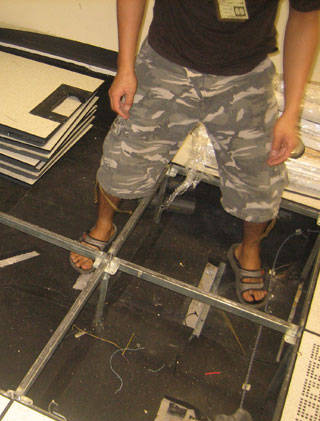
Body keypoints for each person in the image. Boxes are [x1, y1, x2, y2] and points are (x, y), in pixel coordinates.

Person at [70, 0, 319, 307]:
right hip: (166, 62)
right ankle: (103, 225)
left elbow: (306, 17)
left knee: (260, 181)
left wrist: (291, 113)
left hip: (246, 75)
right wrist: (125, 68)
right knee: (122, 160)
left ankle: (248, 250)